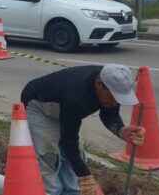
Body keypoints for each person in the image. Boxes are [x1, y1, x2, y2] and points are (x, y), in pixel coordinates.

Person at [21, 64, 145, 195]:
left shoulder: (111, 83)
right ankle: (50, 191)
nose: (115, 103)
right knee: (49, 154)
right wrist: (85, 176)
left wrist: (121, 130)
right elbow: (68, 141)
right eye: (113, 97)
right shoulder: (77, 95)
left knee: (75, 158)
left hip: (64, 108)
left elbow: (109, 114)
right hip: (38, 106)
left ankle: (72, 191)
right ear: (99, 85)